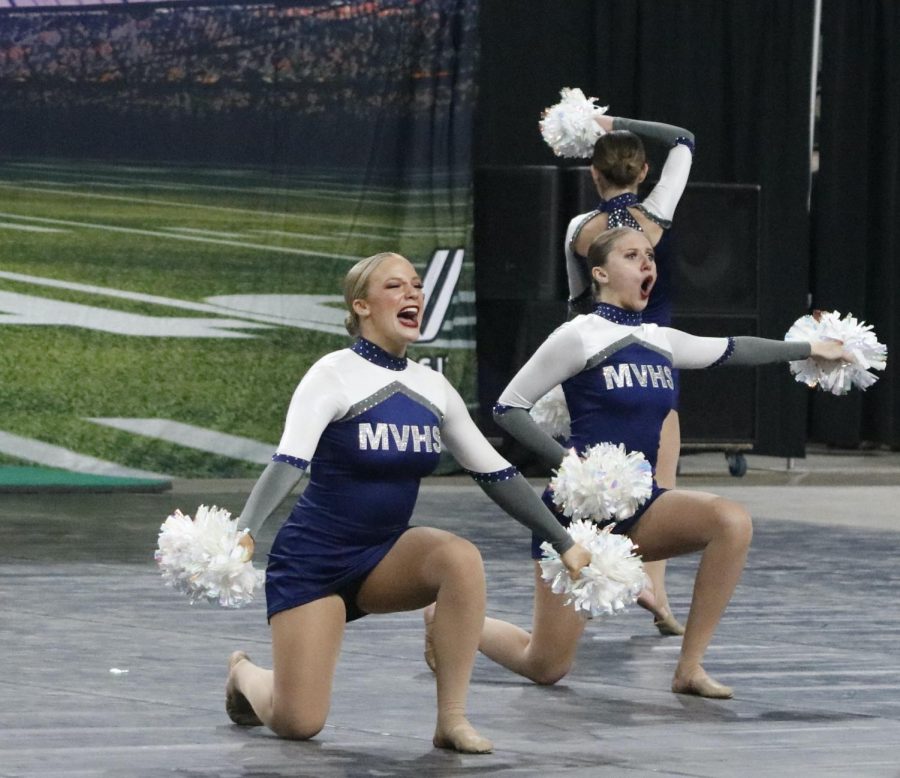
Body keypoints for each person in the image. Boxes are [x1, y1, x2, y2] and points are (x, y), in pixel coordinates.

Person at [223, 252, 590, 752]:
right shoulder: (332, 374)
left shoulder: (432, 387)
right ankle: (244, 673)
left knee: (458, 558)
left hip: (383, 557)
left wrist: (562, 540)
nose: (413, 294)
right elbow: (290, 460)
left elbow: (496, 473)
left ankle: (451, 720)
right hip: (312, 564)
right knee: (299, 721)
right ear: (363, 306)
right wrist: (246, 528)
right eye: (395, 287)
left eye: (417, 286)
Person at [478, 227, 851, 698]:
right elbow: (508, 408)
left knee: (730, 521)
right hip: (577, 520)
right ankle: (448, 620)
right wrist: (572, 464)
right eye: (632, 255)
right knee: (546, 665)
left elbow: (735, 348)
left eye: (650, 255)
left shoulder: (662, 339)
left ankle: (689, 667)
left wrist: (810, 349)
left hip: (642, 506)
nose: (647, 264)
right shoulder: (578, 336)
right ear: (600, 273)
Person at [563, 113, 696, 636]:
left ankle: (586, 577)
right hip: (652, 361)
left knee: (589, 478)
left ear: (594, 175)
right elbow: (684, 139)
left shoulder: (581, 231)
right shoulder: (656, 215)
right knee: (659, 483)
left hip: (595, 360)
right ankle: (656, 594)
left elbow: (576, 300)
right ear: (643, 171)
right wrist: (613, 119)